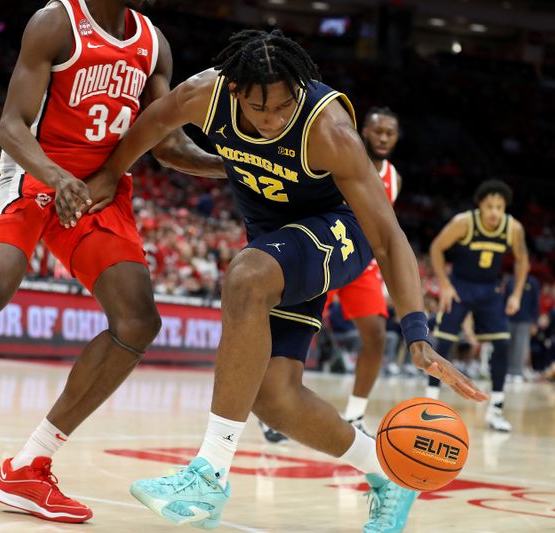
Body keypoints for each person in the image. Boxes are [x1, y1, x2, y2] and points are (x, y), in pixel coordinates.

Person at [94, 29, 487, 531]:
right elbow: (158, 141)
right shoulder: (201, 95)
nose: (275, 119)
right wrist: (113, 173)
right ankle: (390, 473)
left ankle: (208, 474)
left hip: (342, 232)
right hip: (280, 243)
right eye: (262, 110)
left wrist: (417, 333)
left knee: (246, 275)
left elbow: (388, 236)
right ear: (233, 90)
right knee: (274, 396)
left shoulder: (329, 130)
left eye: (286, 106)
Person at [0, 0, 224, 524]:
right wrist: (56, 179)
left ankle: (29, 465)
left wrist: (235, 164)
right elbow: (11, 126)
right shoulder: (57, 22)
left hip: (100, 190)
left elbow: (166, 144)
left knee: (138, 322)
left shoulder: (154, 43)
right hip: (36, 175)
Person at [259, 106, 402, 442]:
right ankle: (272, 407)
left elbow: (384, 229)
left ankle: (355, 414)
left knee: (377, 335)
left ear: (396, 138)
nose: (382, 138)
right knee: (292, 330)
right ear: (363, 131)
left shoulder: (394, 177)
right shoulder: (339, 155)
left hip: (362, 260)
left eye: (389, 133)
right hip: (325, 248)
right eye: (377, 131)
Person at [427, 179, 530, 432]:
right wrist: (445, 285)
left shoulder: (513, 228)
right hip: (460, 286)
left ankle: (495, 409)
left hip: (489, 290)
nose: (495, 212)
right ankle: (429, 405)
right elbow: (436, 248)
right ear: (480, 206)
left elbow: (522, 261)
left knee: (503, 343)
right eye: (490, 206)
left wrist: (516, 294)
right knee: (444, 342)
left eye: (500, 207)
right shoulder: (463, 222)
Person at [505, 273, 540, 381]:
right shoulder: (510, 281)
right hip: (509, 318)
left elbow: (536, 302)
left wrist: (534, 321)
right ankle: (508, 371)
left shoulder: (532, 282)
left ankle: (517, 373)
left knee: (520, 347)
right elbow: (505, 299)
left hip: (525, 320)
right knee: (508, 345)